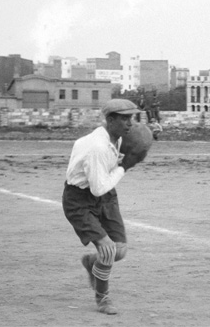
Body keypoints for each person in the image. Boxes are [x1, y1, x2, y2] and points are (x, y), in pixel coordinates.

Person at [62, 98, 143, 315]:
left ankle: (92, 263)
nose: (130, 123)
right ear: (110, 120)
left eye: (131, 117)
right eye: (124, 118)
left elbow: (103, 186)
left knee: (119, 250)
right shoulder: (97, 147)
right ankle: (102, 298)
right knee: (107, 250)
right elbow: (98, 188)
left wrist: (147, 135)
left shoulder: (116, 136)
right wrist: (125, 166)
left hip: (105, 195)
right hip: (80, 200)